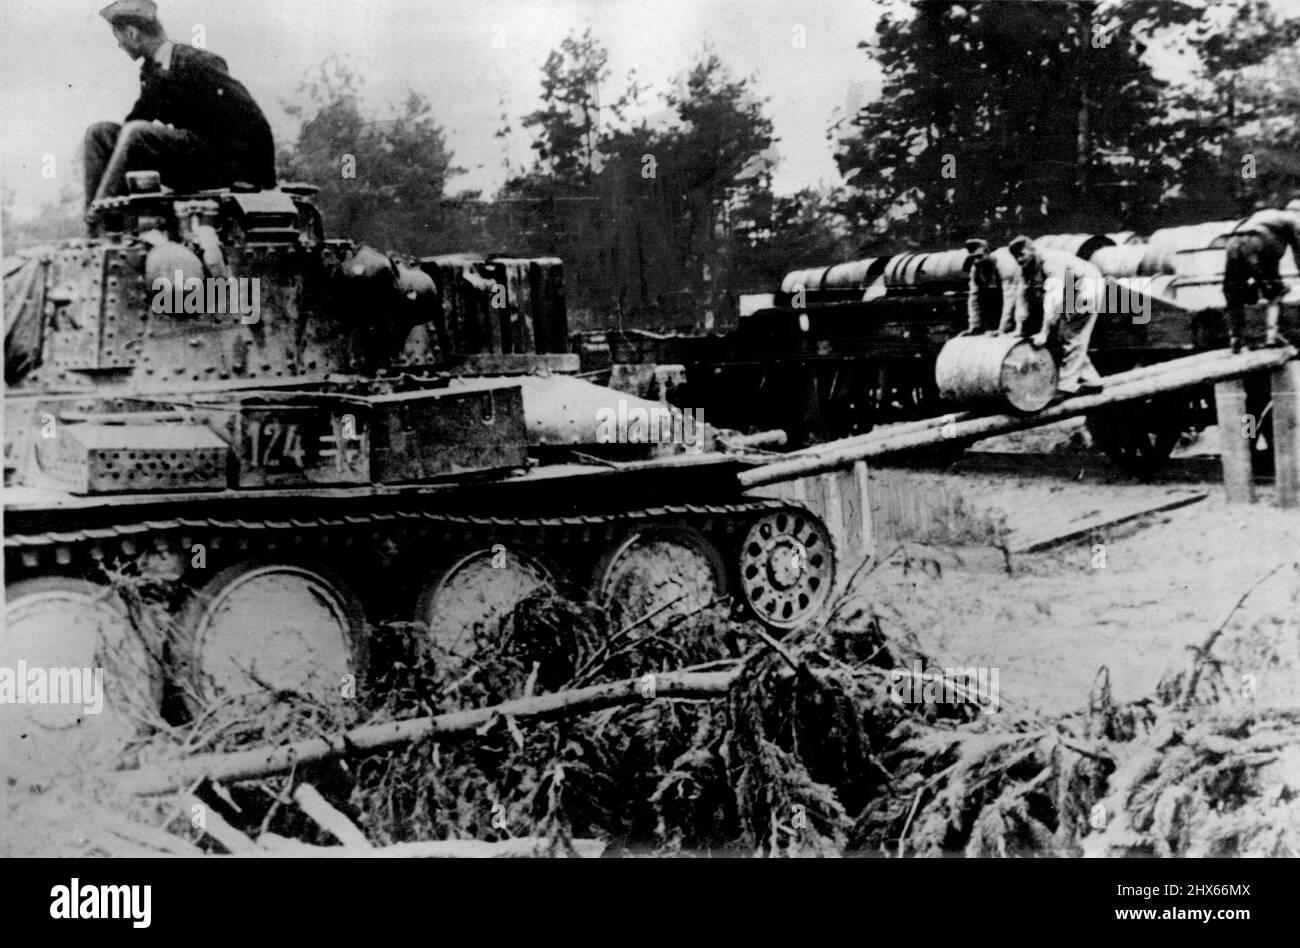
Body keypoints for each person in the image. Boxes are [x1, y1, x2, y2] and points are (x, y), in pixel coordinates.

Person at [84, 1, 276, 212]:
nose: (120, 45)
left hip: (223, 168)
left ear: (133, 33)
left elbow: (254, 121)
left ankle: (99, 213)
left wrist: (263, 180)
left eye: (118, 39)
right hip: (190, 163)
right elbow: (132, 125)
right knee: (100, 133)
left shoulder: (196, 62)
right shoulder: (151, 71)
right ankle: (104, 227)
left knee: (136, 132)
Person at [1008, 235, 1104, 396]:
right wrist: (1018, 327)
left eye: (1021, 254)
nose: (1018, 260)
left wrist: (1044, 332)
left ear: (1032, 249)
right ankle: (1092, 381)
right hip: (1071, 292)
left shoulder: (1051, 260)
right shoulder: (1026, 267)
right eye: (1015, 257)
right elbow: (1022, 298)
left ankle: (1065, 386)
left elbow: (1053, 297)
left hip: (1087, 287)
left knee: (1071, 336)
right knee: (1066, 337)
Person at [1222, 202, 1300, 352]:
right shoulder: (1294, 218)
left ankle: (1235, 338)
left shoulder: (1266, 214)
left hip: (1232, 242)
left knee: (1233, 291)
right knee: (1275, 290)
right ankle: (1272, 335)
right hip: (1260, 244)